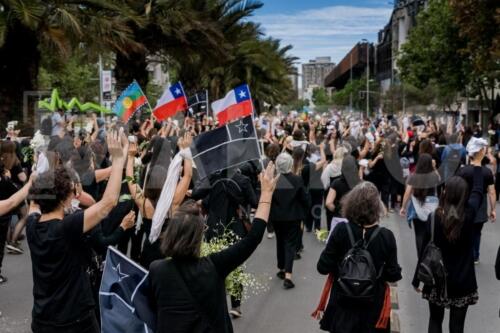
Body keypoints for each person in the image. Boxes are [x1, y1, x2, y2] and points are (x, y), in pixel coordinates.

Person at [148, 162, 279, 333]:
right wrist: (267, 194)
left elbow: (152, 307)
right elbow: (253, 238)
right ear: (199, 238)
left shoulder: (157, 269)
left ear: (170, 235)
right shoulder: (214, 266)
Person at [25, 130, 128, 333]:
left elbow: (34, 200)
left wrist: (41, 169)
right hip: (75, 321)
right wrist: (118, 160)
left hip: (42, 320)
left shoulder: (32, 224)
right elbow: (108, 203)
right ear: (65, 199)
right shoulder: (67, 227)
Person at [317, 181, 402, 333]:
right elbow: (393, 274)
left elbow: (322, 267)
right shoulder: (386, 236)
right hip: (372, 311)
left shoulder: (341, 230)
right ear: (377, 207)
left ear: (351, 203)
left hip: (342, 307)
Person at [415, 150, 485, 333]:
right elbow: (478, 190)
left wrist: (417, 280)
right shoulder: (468, 216)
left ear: (444, 193)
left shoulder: (433, 218)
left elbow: (424, 250)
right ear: (465, 196)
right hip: (462, 281)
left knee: (435, 320)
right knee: (457, 326)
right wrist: (477, 164)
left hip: (437, 279)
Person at [269, 153, 310, 289]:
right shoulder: (297, 180)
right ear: (290, 165)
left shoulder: (274, 180)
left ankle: (281, 268)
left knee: (280, 241)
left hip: (277, 216)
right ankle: (288, 275)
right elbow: (305, 198)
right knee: (290, 244)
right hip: (293, 216)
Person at [456, 137, 496, 264]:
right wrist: (493, 209)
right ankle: (475, 255)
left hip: (465, 201)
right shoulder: (487, 172)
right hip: (481, 203)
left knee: (464, 228)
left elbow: (456, 189)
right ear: (481, 152)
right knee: (477, 231)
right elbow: (492, 192)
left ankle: (465, 253)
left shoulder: (463, 171)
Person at [400, 153, 440, 257]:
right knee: (431, 233)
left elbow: (407, 192)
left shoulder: (413, 176)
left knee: (419, 233)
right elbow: (439, 179)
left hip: (417, 209)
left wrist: (403, 207)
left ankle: (420, 257)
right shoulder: (434, 175)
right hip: (432, 209)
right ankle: (430, 255)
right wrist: (434, 167)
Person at [325, 155, 360, 230]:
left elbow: (328, 203)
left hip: (340, 218)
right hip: (356, 219)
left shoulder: (336, 183)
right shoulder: (360, 184)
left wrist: (336, 211)